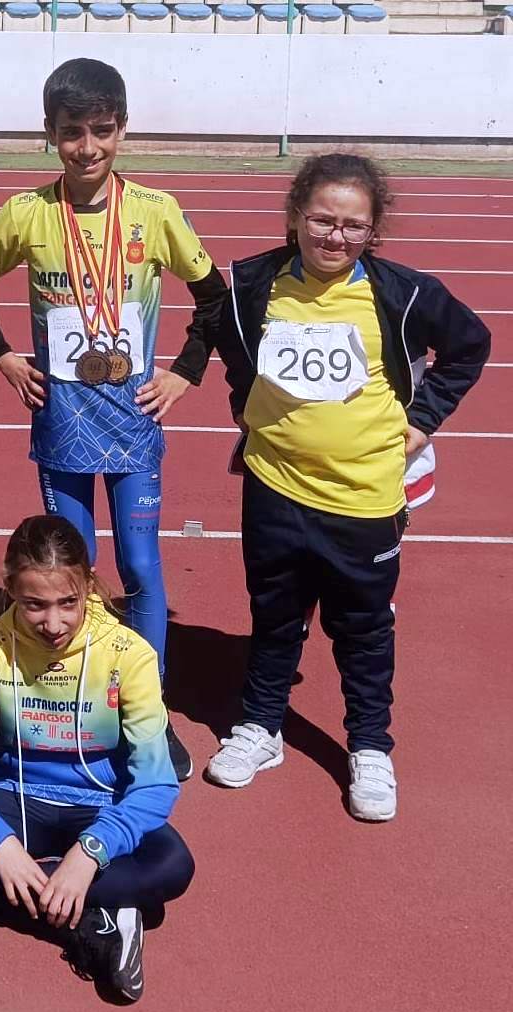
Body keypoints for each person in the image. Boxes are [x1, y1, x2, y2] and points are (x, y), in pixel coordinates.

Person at [0, 58, 230, 780]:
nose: (87, 147)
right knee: (73, 570)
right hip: (62, 421)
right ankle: (85, 701)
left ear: (122, 130)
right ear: (49, 134)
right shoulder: (26, 213)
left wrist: (182, 372)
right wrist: (5, 360)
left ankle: (151, 712)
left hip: (135, 419)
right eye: (72, 132)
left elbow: (214, 300)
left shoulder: (155, 211)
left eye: (101, 131)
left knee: (139, 566)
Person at [205, 154, 490, 821]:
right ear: (296, 216)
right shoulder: (256, 283)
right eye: (321, 220)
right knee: (275, 618)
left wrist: (422, 421)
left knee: (361, 629)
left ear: (373, 230)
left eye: (352, 225)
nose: (334, 236)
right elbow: (234, 350)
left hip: (364, 499)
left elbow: (470, 344)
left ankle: (369, 746)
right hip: (274, 489)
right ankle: (261, 726)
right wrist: (249, 409)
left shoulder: (405, 292)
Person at [0, 515, 193, 1004]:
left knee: (173, 862)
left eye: (68, 603)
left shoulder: (128, 654)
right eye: (34, 605)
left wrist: (91, 852)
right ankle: (92, 924)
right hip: (17, 801)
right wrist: (1, 846)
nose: (53, 623)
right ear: (10, 588)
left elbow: (156, 783)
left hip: (98, 806)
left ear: (88, 585)